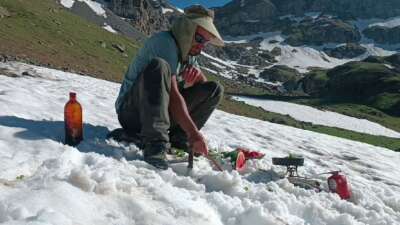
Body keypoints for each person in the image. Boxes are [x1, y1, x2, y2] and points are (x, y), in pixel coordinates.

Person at [113, 5, 224, 169]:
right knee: (160, 66)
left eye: (205, 42)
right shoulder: (164, 43)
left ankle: (179, 139)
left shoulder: (188, 52)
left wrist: (197, 78)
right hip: (131, 113)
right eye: (199, 39)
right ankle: (155, 144)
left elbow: (204, 87)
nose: (202, 46)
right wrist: (193, 133)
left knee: (215, 89)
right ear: (187, 30)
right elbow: (173, 95)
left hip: (157, 114)